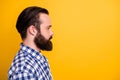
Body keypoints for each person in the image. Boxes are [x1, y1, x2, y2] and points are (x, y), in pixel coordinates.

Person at [8, 6, 54, 80]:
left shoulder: (40, 58)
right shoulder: (24, 71)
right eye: (48, 28)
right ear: (33, 30)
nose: (52, 33)